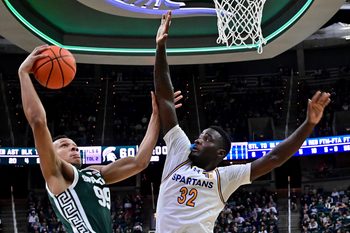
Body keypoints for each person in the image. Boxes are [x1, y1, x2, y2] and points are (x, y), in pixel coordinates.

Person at [154, 11, 331, 232]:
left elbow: (275, 157)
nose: (198, 139)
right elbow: (165, 100)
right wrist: (160, 47)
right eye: (200, 136)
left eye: (206, 138)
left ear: (220, 153)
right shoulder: (179, 151)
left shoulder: (225, 177)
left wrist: (309, 124)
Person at [18, 45, 182, 233]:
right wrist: (23, 73)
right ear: (50, 153)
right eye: (64, 145)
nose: (74, 148)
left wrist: (156, 117)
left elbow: (139, 162)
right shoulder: (56, 174)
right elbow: (38, 122)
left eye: (74, 145)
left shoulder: (94, 173)